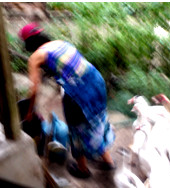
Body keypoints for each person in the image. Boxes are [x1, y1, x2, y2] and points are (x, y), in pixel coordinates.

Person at [19, 23, 114, 178]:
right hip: (96, 82)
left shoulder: (35, 57)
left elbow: (34, 89)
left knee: (77, 129)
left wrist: (29, 112)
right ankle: (108, 162)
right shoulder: (59, 43)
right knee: (97, 122)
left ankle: (82, 169)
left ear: (28, 43)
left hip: (79, 93)